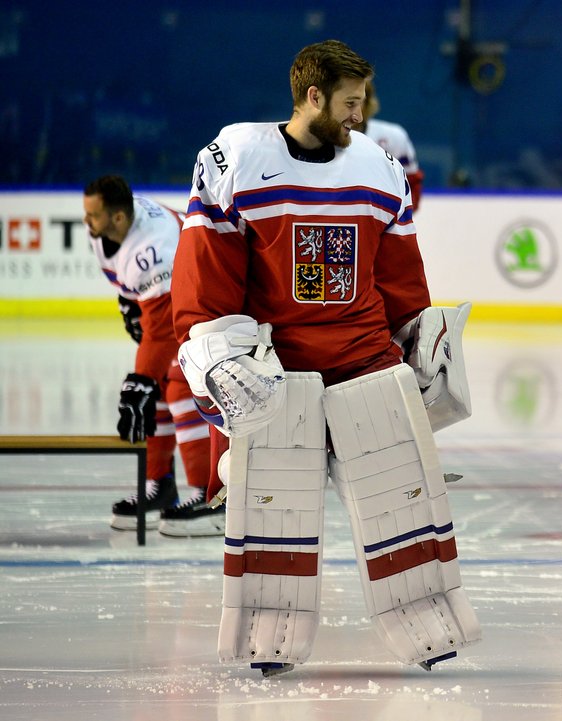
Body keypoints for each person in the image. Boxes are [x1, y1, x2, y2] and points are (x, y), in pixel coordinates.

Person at [170, 39, 479, 676]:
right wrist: (217, 356)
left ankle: (428, 628)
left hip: (366, 359)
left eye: (361, 101)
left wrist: (421, 351)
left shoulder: (376, 165)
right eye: (349, 102)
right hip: (276, 372)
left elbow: (401, 281)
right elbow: (206, 275)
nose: (359, 116)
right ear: (313, 96)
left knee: (404, 503)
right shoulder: (237, 158)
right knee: (274, 515)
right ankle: (269, 639)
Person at [82, 175, 218, 537]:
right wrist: (128, 302)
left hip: (207, 299)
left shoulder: (152, 249)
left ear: (119, 219)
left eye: (93, 216)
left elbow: (161, 328)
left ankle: (212, 496)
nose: (86, 222)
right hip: (179, 298)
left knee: (180, 388)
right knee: (155, 389)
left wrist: (140, 379)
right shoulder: (108, 228)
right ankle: (160, 485)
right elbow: (132, 288)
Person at [352, 78, 424, 210]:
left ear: (367, 103)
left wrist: (389, 217)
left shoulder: (393, 137)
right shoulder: (319, 139)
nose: (349, 107)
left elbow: (412, 188)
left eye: (356, 100)